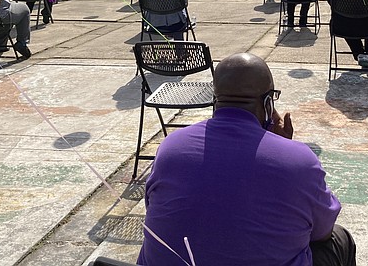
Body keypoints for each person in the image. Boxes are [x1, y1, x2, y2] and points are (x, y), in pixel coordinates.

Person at [138, 52, 355, 266]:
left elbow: (155, 206)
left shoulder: (170, 147)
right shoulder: (300, 160)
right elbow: (322, 232)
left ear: (216, 98)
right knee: (341, 238)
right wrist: (285, 148)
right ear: (268, 103)